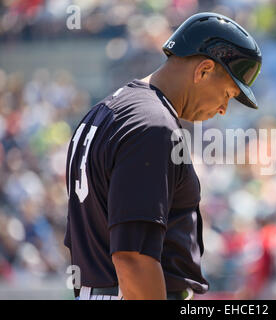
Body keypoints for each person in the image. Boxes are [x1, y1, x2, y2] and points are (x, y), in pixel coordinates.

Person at [64, 12, 262, 300]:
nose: (223, 109)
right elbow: (133, 258)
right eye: (228, 94)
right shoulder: (152, 125)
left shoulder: (107, 110)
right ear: (204, 70)